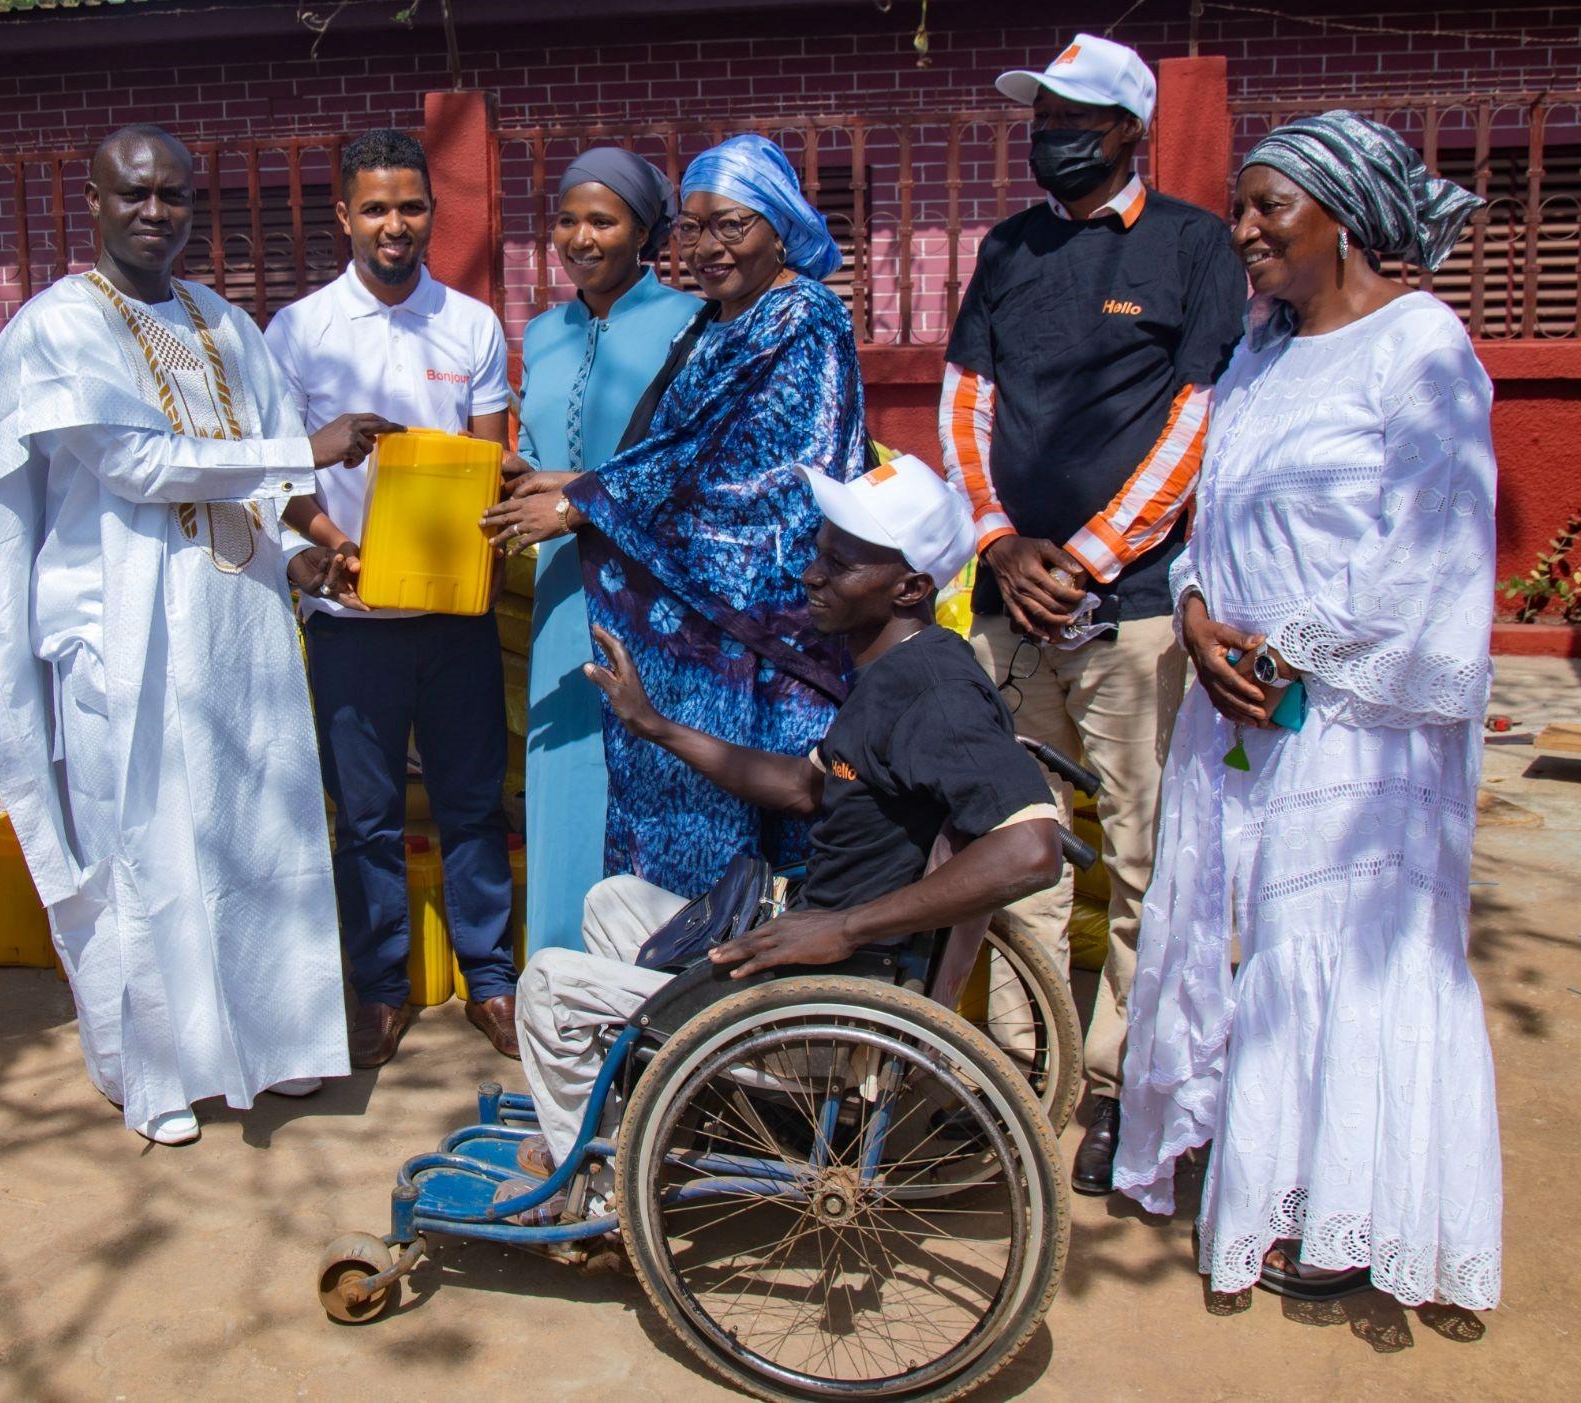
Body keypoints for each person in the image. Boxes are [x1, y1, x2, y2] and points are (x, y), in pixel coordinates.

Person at [0, 125, 388, 1146]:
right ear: (92, 202)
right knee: (140, 845)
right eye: (134, 193)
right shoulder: (60, 327)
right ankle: (154, 1071)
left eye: (173, 195)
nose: (155, 212)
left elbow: (258, 486)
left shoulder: (225, 322)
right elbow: (137, 466)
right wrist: (304, 447)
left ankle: (273, 1044)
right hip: (123, 626)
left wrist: (299, 552)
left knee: (258, 829)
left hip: (235, 627)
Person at [1115, 111, 1500, 1311]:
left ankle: (1345, 1215)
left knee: (1340, 948)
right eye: (1238, 207)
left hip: (1355, 718)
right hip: (1238, 700)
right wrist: (1192, 614)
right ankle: (1263, 1169)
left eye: (1267, 206)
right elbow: (1212, 515)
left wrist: (1291, 651)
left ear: (1346, 216)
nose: (1241, 229)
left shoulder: (1419, 346)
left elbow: (1427, 546)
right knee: (1250, 940)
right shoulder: (1257, 353)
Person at [515, 454, 1061, 1162]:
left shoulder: (936, 694)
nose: (811, 574)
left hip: (829, 1006)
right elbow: (807, 787)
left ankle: (596, 1187)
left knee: (549, 986)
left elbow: (1032, 849)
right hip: (817, 966)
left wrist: (844, 926)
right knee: (613, 900)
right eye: (818, 552)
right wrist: (656, 726)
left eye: (840, 565)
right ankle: (650, 1120)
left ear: (910, 587)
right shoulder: (893, 671)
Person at [939, 33, 1249, 1194]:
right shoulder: (1007, 247)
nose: (1049, 136)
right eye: (1039, 118)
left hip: (1128, 612)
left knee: (1140, 851)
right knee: (1015, 842)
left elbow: (1197, 414)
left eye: (1072, 118)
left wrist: (1085, 556)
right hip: (1006, 606)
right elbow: (965, 401)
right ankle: (1025, 1071)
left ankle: (1120, 1080)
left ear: (1128, 129)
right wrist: (995, 540)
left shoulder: (1190, 246)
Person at [488, 132, 865, 906]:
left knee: (753, 822)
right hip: (700, 621)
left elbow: (738, 467)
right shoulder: (718, 322)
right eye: (693, 226)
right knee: (689, 813)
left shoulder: (803, 315)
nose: (707, 246)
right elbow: (672, 447)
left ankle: (737, 974)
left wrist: (581, 502)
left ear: (780, 225)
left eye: (731, 224)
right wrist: (571, 482)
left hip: (764, 623)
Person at [264, 129, 520, 1068]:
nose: (394, 224)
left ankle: (490, 979)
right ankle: (378, 988)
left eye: (411, 206)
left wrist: (489, 510)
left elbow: (488, 459)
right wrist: (334, 548)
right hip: (353, 619)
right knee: (366, 816)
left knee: (471, 802)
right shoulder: (297, 331)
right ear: (344, 215)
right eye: (375, 207)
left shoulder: (471, 324)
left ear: (431, 213)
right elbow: (280, 470)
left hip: (454, 615)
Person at [480, 147, 703, 960]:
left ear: (644, 231)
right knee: (566, 773)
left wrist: (580, 495)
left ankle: (654, 987)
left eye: (603, 221)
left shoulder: (693, 322)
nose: (581, 237)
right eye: (568, 220)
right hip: (563, 591)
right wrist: (511, 473)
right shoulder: (543, 333)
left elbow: (693, 462)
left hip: (655, 589)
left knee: (654, 775)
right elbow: (543, 450)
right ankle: (560, 976)